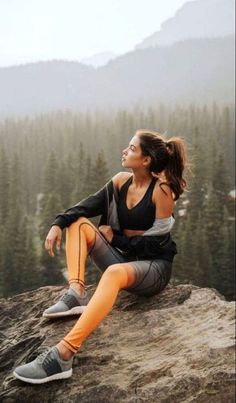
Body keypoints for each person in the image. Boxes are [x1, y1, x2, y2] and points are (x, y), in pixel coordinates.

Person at [13, 129, 188, 384]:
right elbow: (86, 206)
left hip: (153, 269)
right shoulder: (119, 181)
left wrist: (115, 238)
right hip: (125, 260)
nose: (124, 151)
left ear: (146, 160)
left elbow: (154, 246)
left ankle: (64, 354)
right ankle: (75, 293)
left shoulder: (161, 191)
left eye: (131, 148)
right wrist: (57, 223)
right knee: (79, 224)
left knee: (113, 273)